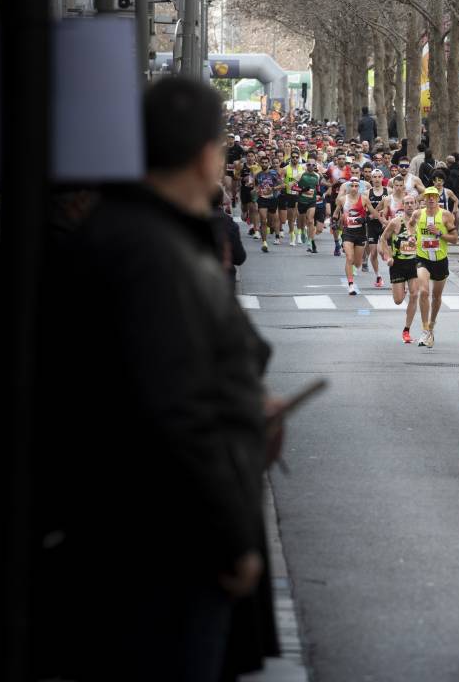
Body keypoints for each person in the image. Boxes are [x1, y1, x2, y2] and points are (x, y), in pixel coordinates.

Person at [62, 78, 284, 678]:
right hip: (167, 545)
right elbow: (177, 412)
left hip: (148, 534)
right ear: (203, 153)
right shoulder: (154, 252)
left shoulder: (132, 234)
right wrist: (232, 537)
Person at [413, 186, 458, 347]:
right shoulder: (418, 214)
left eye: (434, 196)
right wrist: (411, 238)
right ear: (424, 199)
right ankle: (425, 330)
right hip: (422, 258)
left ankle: (431, 326)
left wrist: (439, 234)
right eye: (428, 196)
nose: (431, 199)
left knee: (436, 297)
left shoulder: (446, 215)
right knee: (424, 291)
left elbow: (454, 239)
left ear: (438, 198)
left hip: (440, 260)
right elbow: (410, 227)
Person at [379, 193, 420, 343]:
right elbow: (383, 239)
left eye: (412, 203)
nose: (410, 205)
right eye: (407, 203)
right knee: (398, 300)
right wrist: (388, 257)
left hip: (414, 263)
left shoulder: (420, 223)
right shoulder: (396, 222)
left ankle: (406, 330)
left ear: (416, 205)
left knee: (415, 295)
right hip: (398, 264)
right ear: (403, 205)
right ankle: (403, 289)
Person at [334, 175, 370, 294]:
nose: (354, 188)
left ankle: (354, 267)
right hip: (347, 232)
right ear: (349, 187)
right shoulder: (342, 199)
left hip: (360, 233)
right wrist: (335, 222)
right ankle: (351, 285)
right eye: (352, 186)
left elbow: (372, 214)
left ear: (359, 187)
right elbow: (336, 213)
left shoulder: (364, 199)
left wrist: (364, 219)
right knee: (349, 258)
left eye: (356, 186)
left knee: (358, 263)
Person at [365, 168, 388, 288]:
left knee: (384, 250)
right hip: (372, 226)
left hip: (385, 225)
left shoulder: (388, 191)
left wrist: (383, 212)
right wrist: (369, 216)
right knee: (373, 253)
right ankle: (378, 276)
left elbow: (392, 205)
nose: (377, 179)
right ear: (371, 179)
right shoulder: (367, 193)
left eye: (379, 177)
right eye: (375, 177)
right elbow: (364, 209)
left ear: (382, 178)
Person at [297, 158, 323, 253]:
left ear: (315, 166)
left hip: (312, 201)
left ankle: (310, 241)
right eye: (309, 165)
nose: (311, 166)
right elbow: (293, 186)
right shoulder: (301, 174)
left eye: (313, 165)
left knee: (310, 220)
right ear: (306, 165)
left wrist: (320, 194)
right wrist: (303, 190)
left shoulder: (317, 175)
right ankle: (302, 231)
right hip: (301, 201)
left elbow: (317, 187)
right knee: (301, 220)